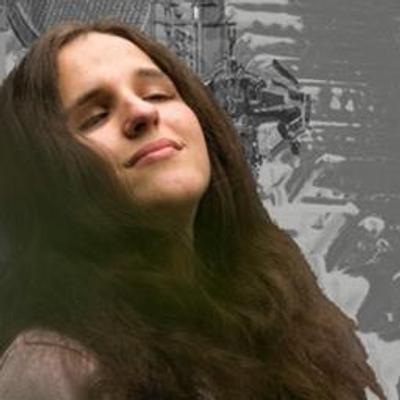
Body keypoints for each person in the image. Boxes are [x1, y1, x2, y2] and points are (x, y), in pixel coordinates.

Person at [0, 20, 386, 400]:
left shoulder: (287, 314)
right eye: (95, 117)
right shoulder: (51, 367)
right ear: (46, 176)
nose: (141, 112)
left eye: (157, 94)